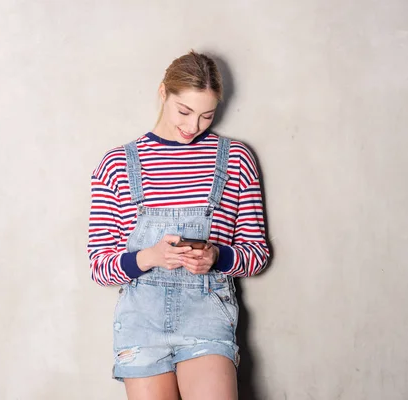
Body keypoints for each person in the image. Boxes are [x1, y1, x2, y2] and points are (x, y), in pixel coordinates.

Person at [87, 50, 270, 400]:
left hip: (207, 317)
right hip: (142, 324)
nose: (192, 126)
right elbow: (99, 267)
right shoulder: (115, 165)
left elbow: (257, 254)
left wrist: (217, 256)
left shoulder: (235, 159)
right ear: (163, 93)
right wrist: (150, 257)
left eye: (206, 115)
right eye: (184, 111)